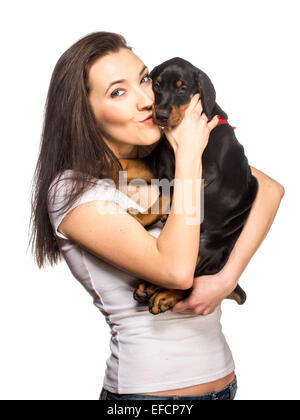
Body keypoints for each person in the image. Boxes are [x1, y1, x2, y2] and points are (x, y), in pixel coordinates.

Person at [29, 32, 284, 401]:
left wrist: (226, 278)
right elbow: (177, 270)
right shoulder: (73, 191)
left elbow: (269, 190)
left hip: (224, 384)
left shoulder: (163, 153)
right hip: (147, 398)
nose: (147, 100)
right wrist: (189, 157)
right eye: (118, 92)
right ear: (83, 112)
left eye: (143, 79)